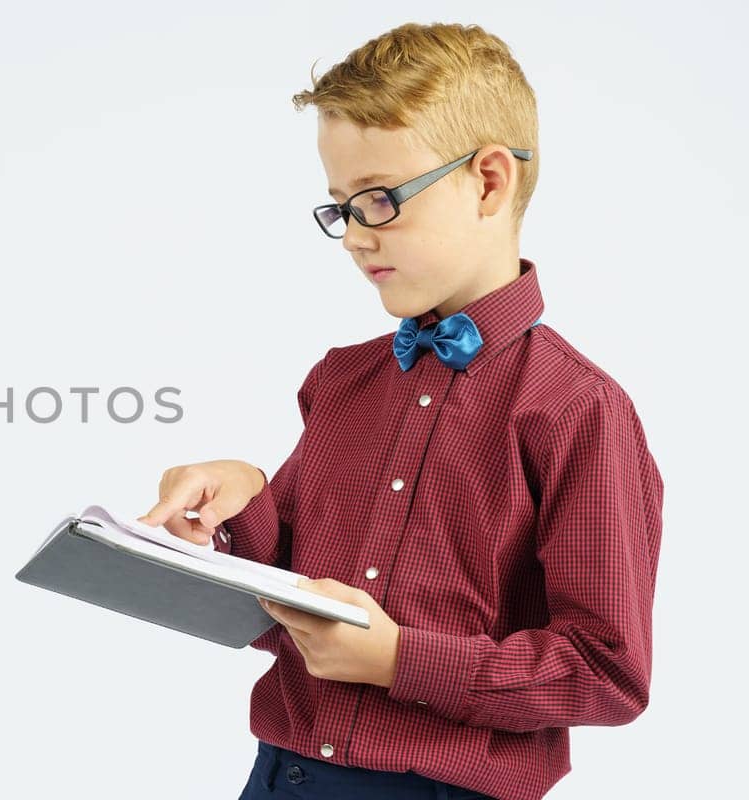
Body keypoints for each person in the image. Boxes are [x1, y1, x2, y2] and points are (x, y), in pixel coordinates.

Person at [137, 22, 663, 800]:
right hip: (279, 777)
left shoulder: (578, 411)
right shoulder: (340, 383)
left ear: (489, 181)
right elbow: (292, 602)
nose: (352, 236)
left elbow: (605, 673)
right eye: (339, 206)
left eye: (378, 200)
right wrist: (240, 497)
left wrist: (397, 660)